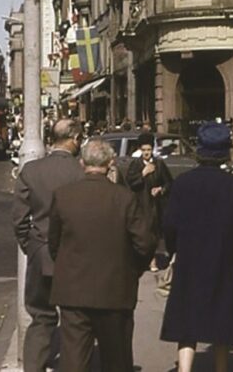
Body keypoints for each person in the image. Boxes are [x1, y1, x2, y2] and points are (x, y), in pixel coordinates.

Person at [48, 138, 156, 372]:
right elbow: (145, 243)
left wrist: (68, 267)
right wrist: (133, 270)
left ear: (82, 163)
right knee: (116, 360)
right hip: (115, 290)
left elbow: (54, 243)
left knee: (74, 360)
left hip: (74, 290)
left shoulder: (63, 195)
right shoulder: (124, 198)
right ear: (110, 163)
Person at [159, 121, 233, 372]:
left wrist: (174, 251)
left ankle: (184, 369)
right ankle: (221, 368)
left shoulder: (183, 183)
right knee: (222, 317)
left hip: (190, 258)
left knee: (187, 316)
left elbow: (169, 224)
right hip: (226, 260)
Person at [12, 119, 88, 372]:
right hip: (76, 255)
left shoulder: (31, 170)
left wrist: (31, 246)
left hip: (41, 250)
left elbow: (19, 219)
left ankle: (33, 367)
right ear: (75, 139)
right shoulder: (82, 173)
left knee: (41, 316)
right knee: (74, 319)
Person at [126, 132, 173, 272]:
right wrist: (143, 173)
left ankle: (154, 259)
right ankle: (146, 260)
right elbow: (130, 183)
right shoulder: (135, 165)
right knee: (144, 234)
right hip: (141, 204)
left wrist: (160, 189)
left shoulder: (159, 164)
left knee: (155, 233)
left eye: (149, 150)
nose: (146, 153)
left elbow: (169, 182)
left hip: (156, 205)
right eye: (144, 150)